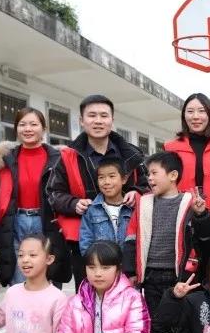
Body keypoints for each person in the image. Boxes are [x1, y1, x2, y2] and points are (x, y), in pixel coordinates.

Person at [124, 151, 210, 333]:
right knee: (155, 327)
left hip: (180, 276)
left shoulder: (190, 202)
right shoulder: (143, 203)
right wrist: (131, 271)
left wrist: (202, 215)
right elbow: (131, 237)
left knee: (180, 327)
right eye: (148, 174)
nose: (149, 178)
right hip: (151, 276)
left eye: (154, 173)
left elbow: (208, 239)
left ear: (173, 175)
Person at [48, 94, 148, 288]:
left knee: (127, 295)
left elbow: (148, 186)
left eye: (104, 115)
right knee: (88, 295)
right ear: (81, 121)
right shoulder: (68, 155)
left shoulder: (130, 154)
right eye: (92, 115)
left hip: (128, 239)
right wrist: (73, 203)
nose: (98, 121)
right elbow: (53, 193)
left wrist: (137, 192)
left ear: (112, 120)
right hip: (85, 240)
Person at [0, 108, 69, 288]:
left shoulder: (59, 159)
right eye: (22, 124)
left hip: (47, 221)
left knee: (48, 274)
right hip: (15, 221)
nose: (28, 129)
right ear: (16, 128)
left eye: (34, 124)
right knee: (20, 276)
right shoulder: (4, 159)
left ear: (43, 128)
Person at [165, 93, 210, 249]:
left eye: (201, 111)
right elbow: (163, 185)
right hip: (180, 221)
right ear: (184, 116)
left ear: (209, 115)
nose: (195, 116)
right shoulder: (170, 148)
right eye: (190, 111)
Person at [78, 159, 135, 256]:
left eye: (112, 176)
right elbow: (86, 243)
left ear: (124, 179)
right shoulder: (91, 210)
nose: (106, 182)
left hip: (129, 263)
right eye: (101, 177)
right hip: (101, 263)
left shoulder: (132, 208)